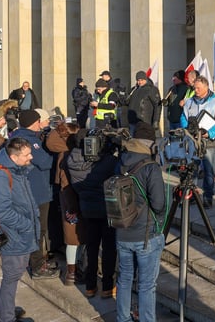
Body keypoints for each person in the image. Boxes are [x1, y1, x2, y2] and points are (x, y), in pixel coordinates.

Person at [0, 138, 39, 322]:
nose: (31, 157)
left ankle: (3, 311)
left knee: (13, 276)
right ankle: (5, 317)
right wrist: (26, 225)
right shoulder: (0, 175)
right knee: (11, 277)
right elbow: (0, 210)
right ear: (14, 157)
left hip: (20, 234)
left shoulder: (16, 170)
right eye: (26, 155)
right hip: (13, 234)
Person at [115, 138, 166, 322]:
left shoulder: (119, 162)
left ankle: (122, 318)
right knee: (146, 286)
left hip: (122, 232)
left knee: (124, 279)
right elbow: (159, 204)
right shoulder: (150, 167)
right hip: (145, 235)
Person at [65, 128, 118, 298]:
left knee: (91, 247)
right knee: (109, 248)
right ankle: (107, 286)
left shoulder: (70, 160)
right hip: (106, 210)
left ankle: (90, 286)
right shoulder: (108, 162)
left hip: (87, 209)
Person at [12, 109, 58, 279]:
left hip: (26, 189)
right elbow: (45, 162)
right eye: (39, 121)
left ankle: (35, 261)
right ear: (34, 122)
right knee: (38, 229)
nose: (41, 124)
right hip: (37, 192)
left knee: (33, 228)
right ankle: (38, 266)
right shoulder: (30, 140)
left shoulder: (15, 136)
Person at [45, 121, 85, 286]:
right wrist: (72, 208)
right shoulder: (69, 155)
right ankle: (72, 273)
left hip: (68, 199)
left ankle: (73, 271)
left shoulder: (63, 152)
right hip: (71, 201)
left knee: (74, 238)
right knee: (74, 239)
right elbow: (66, 183)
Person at [180, 75, 215, 209]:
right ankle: (191, 195)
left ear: (206, 87)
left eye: (198, 88)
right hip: (192, 141)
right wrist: (187, 130)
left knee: (209, 171)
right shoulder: (189, 101)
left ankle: (208, 197)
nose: (196, 90)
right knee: (191, 170)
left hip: (209, 142)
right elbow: (183, 117)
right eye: (194, 88)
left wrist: (210, 133)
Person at [126, 71, 161, 138]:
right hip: (132, 121)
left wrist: (156, 120)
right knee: (134, 143)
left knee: (143, 143)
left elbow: (157, 105)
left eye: (142, 80)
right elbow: (128, 103)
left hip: (144, 122)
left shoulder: (151, 89)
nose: (140, 82)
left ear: (146, 79)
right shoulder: (134, 90)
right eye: (138, 80)